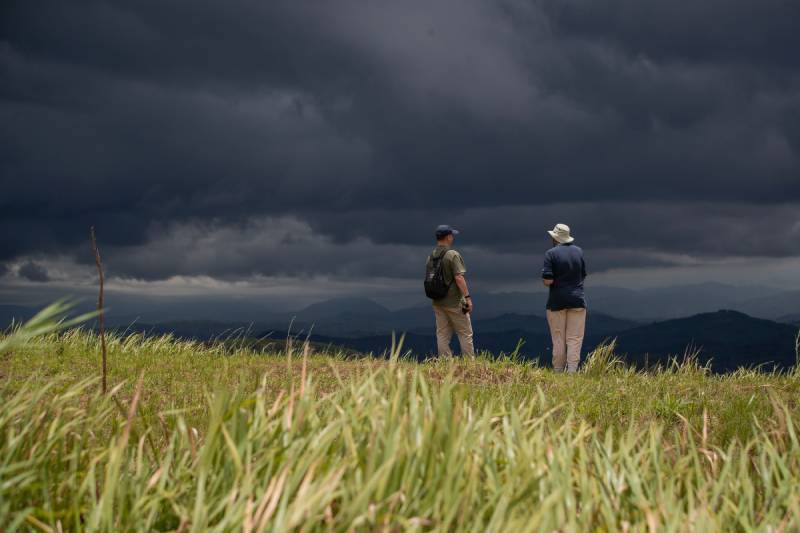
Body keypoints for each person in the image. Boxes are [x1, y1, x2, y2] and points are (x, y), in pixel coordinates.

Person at [541, 223, 587, 372]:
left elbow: (547, 280)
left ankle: (559, 371)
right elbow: (583, 275)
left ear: (556, 238)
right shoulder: (579, 251)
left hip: (556, 302)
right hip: (577, 300)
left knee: (558, 338)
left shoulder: (551, 254)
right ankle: (573, 371)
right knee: (574, 338)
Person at [425, 225, 474, 356]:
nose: (452, 237)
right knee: (465, 333)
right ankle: (470, 365)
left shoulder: (431, 256)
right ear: (447, 237)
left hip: (437, 302)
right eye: (451, 235)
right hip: (454, 302)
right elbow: (459, 277)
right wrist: (468, 298)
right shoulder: (452, 254)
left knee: (442, 334)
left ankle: (445, 364)